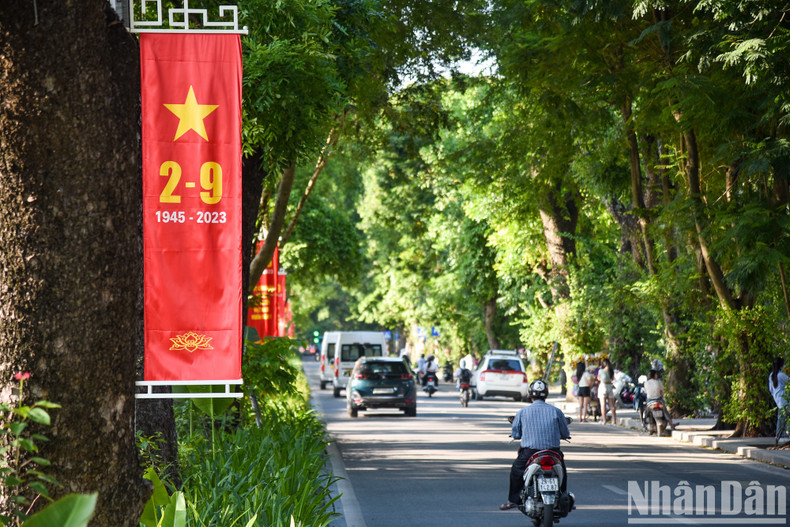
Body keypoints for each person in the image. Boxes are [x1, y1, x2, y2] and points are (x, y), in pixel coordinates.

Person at [500, 379, 571, 511]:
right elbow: (565, 432)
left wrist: (518, 435)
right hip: (553, 452)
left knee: (516, 471)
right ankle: (563, 497)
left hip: (529, 453)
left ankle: (513, 501)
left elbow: (516, 434)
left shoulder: (522, 412)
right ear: (546, 394)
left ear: (531, 395)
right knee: (563, 472)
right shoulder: (556, 411)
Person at [769, 357, 789, 439]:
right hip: (785, 401)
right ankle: (780, 436)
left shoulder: (771, 376)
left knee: (781, 419)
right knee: (784, 420)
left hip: (778, 400)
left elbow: (771, 390)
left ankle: (780, 436)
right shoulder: (781, 375)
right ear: (781, 365)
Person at [597, 358, 617, 425]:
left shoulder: (600, 371)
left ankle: (604, 420)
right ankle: (614, 420)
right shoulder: (611, 371)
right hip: (609, 386)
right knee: (612, 405)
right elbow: (613, 378)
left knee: (603, 405)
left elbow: (598, 378)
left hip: (603, 386)